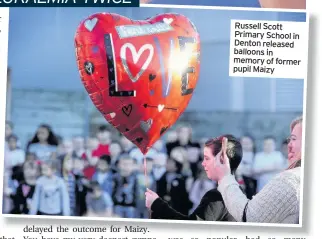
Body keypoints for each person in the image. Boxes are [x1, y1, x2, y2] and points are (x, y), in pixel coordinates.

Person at [216, 116, 303, 223]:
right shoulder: (259, 156)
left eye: (294, 139)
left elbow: (250, 217)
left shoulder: (288, 178)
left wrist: (226, 178)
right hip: (261, 189)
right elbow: (255, 170)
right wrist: (272, 167)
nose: (289, 145)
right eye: (289, 139)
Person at [145, 135, 243, 221]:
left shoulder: (218, 195)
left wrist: (156, 203)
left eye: (208, 159)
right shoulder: (237, 192)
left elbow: (192, 227)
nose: (203, 163)